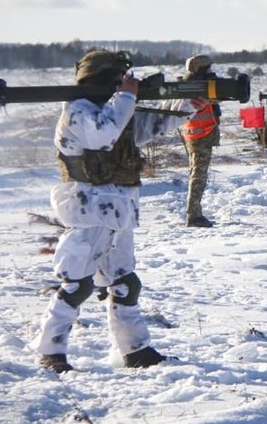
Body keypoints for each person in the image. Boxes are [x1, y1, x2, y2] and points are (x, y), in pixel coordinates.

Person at [35, 50, 209, 373]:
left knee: (126, 283)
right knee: (78, 285)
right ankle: (51, 350)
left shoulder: (117, 109)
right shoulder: (77, 112)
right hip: (88, 210)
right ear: (99, 81)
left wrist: (186, 106)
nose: (122, 87)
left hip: (119, 212)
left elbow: (154, 125)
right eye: (116, 81)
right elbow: (104, 134)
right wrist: (126, 97)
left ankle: (134, 350)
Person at [179, 54, 221, 227]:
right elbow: (215, 98)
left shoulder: (192, 83)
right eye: (208, 67)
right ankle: (193, 215)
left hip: (197, 134)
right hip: (200, 136)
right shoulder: (196, 86)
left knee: (196, 174)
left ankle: (194, 213)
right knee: (198, 176)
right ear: (201, 68)